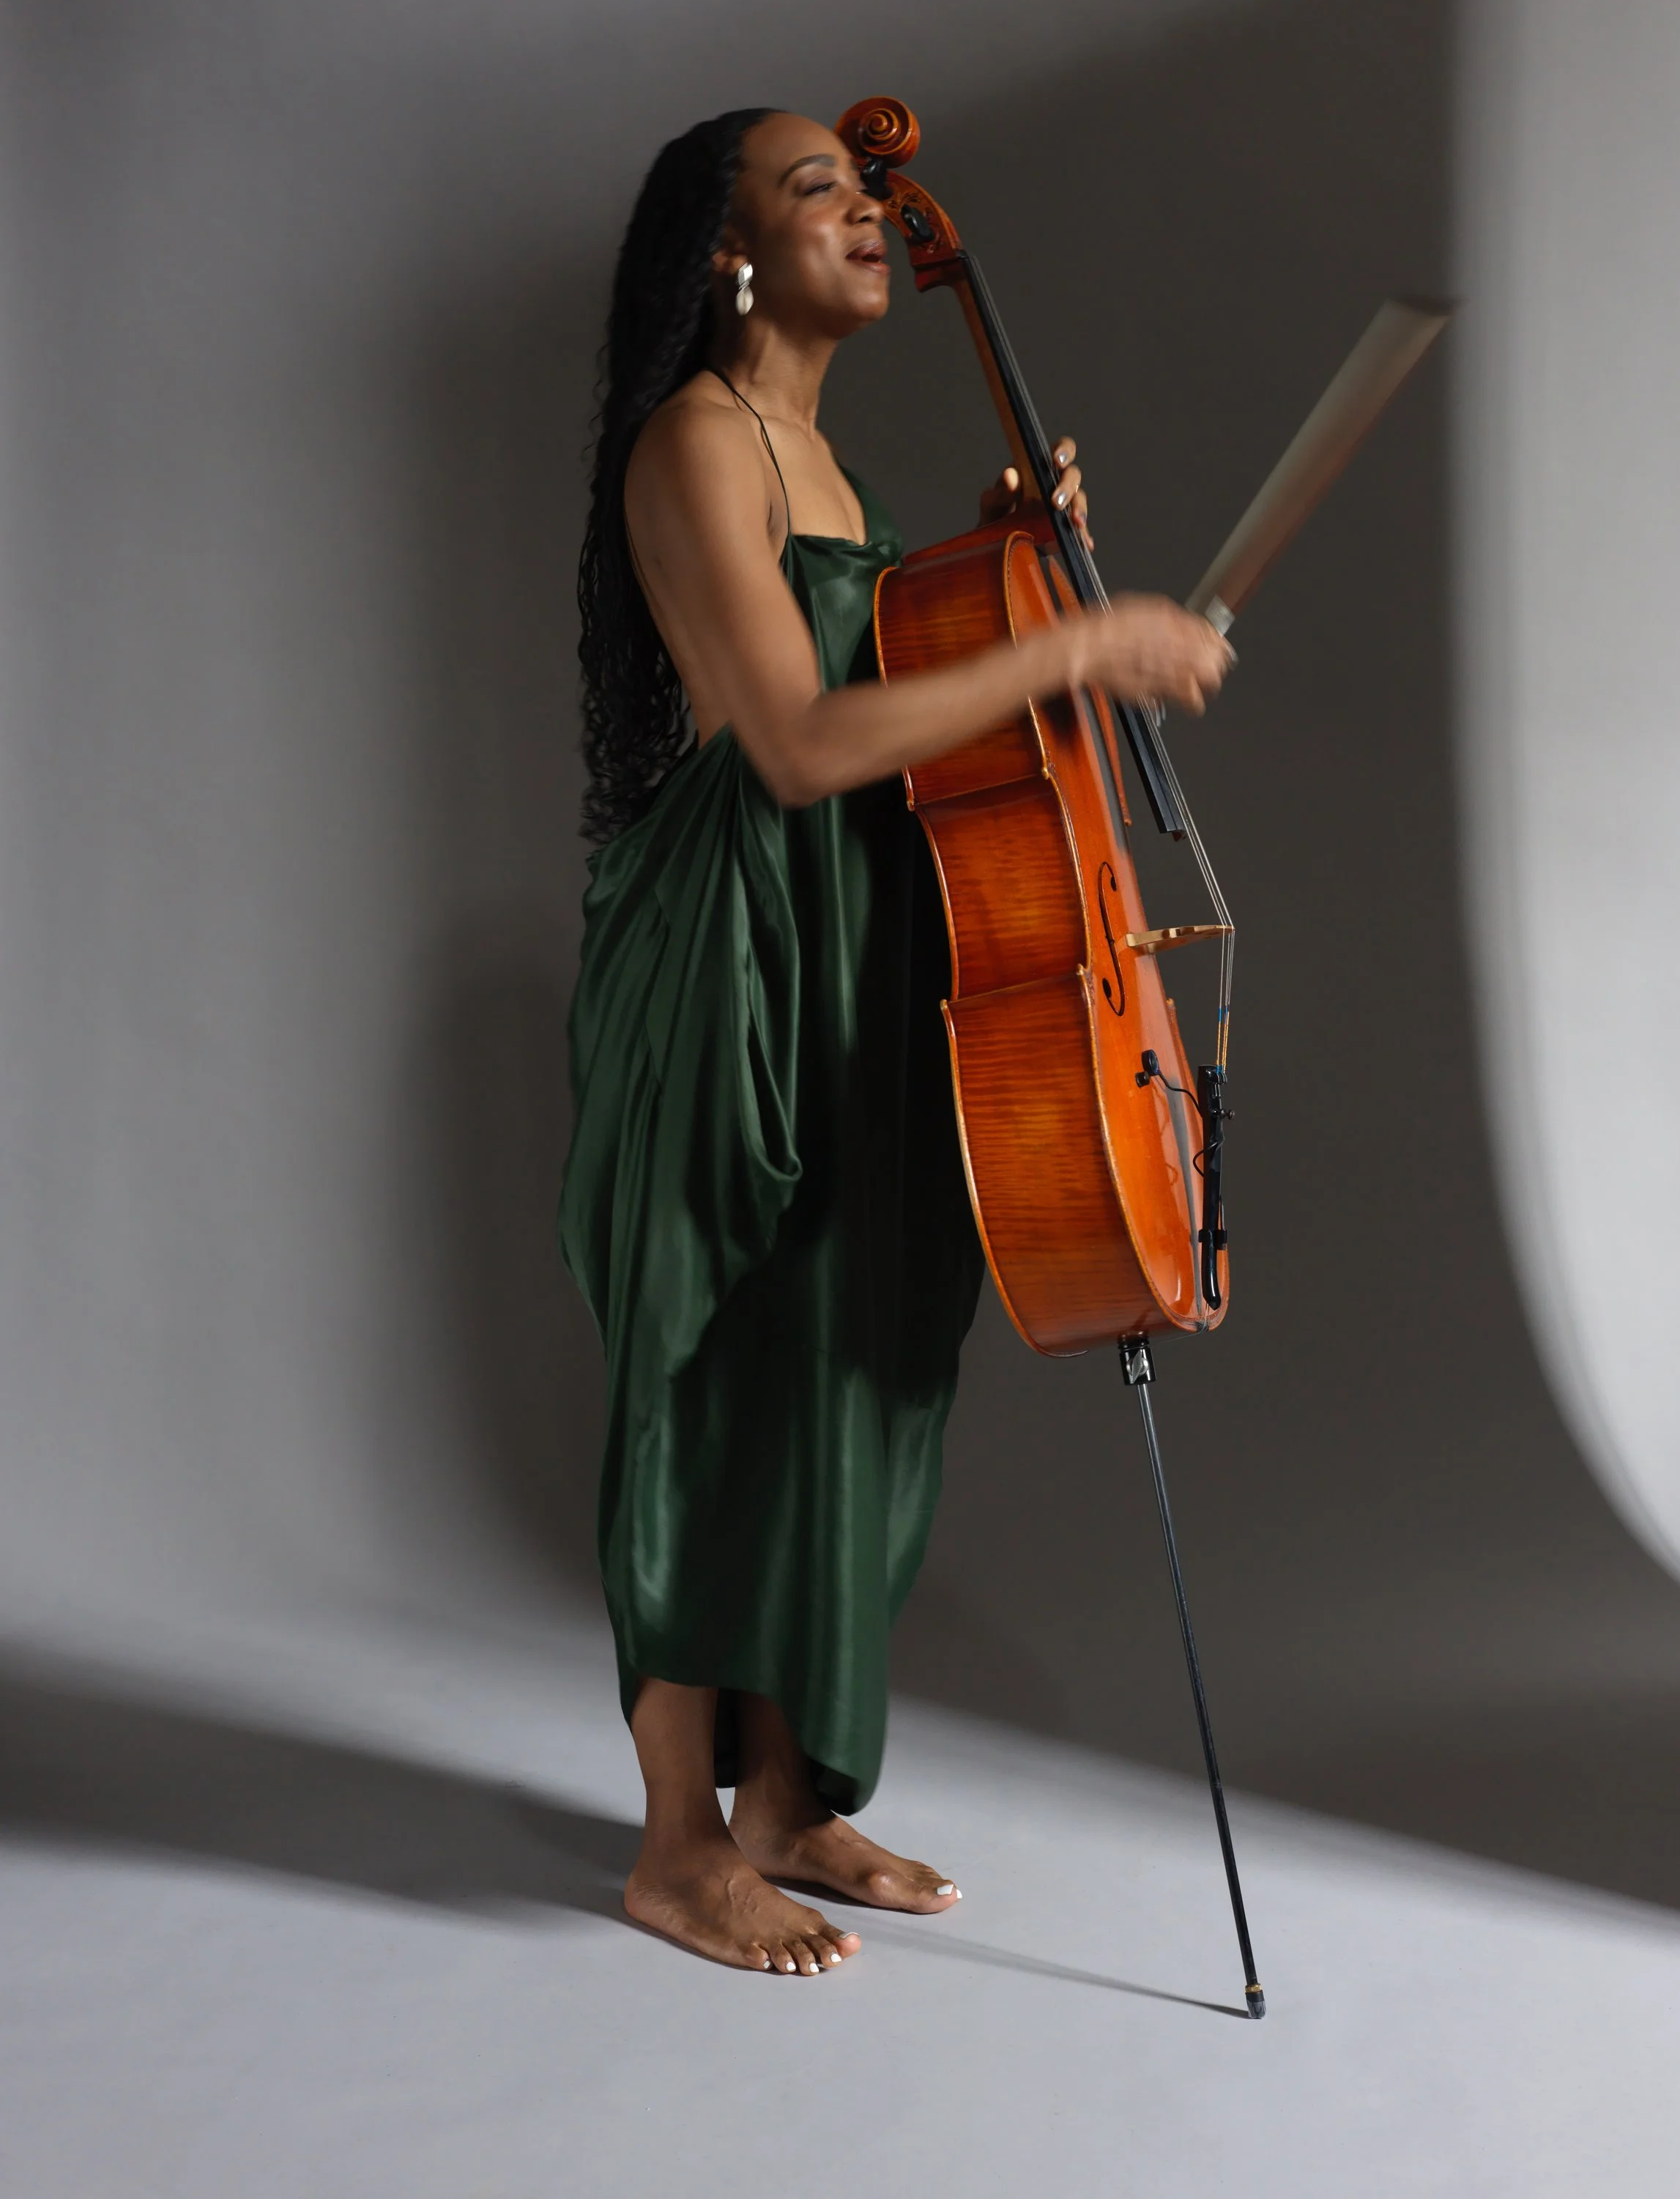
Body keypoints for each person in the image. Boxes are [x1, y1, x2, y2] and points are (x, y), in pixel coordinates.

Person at [559, 108, 1230, 1977]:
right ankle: (675, 1842)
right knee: (710, 1357)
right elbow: (791, 743)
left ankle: (784, 1799)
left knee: (849, 1343)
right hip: (733, 950)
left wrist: (1010, 567)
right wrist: (1074, 647)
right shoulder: (697, 439)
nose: (868, 218)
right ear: (724, 253)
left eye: (872, 198)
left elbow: (891, 686)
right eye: (820, 193)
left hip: (856, 936)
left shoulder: (826, 463)